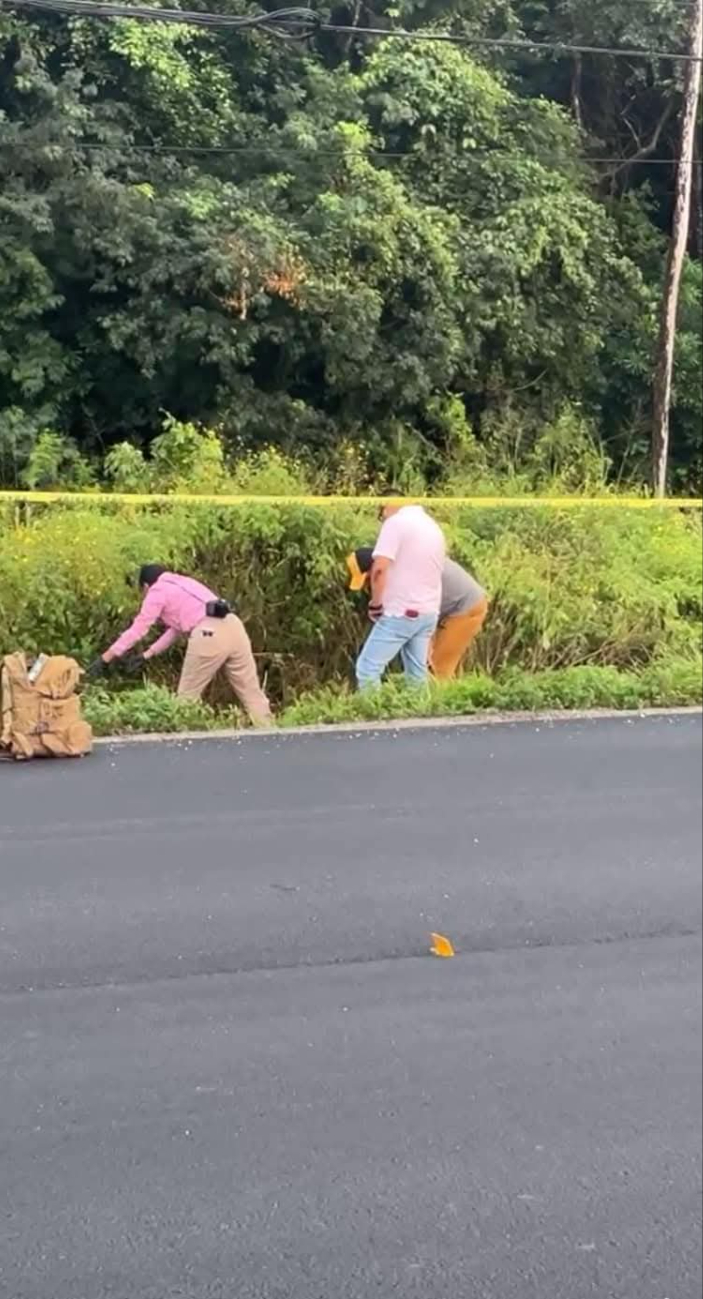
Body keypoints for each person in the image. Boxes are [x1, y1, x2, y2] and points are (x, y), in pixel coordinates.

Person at [89, 565, 272, 726]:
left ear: (145, 586)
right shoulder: (184, 582)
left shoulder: (157, 591)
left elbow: (139, 629)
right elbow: (175, 630)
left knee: (186, 697)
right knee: (251, 692)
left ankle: (182, 741)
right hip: (234, 626)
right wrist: (147, 655)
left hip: (208, 633)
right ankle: (268, 731)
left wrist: (106, 658)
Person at [347, 547, 488, 680]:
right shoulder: (400, 565)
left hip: (467, 607)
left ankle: (443, 704)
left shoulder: (404, 574)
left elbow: (421, 611)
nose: (368, 586)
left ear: (376, 569)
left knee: (439, 670)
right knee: (427, 669)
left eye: (367, 580)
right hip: (442, 609)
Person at [353, 504, 445, 689]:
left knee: (368, 668)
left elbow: (379, 569)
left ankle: (373, 714)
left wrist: (376, 604)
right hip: (428, 612)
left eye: (381, 514)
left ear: (387, 506)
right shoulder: (431, 526)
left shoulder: (395, 523)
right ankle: (420, 713)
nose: (382, 520)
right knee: (416, 674)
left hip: (402, 612)